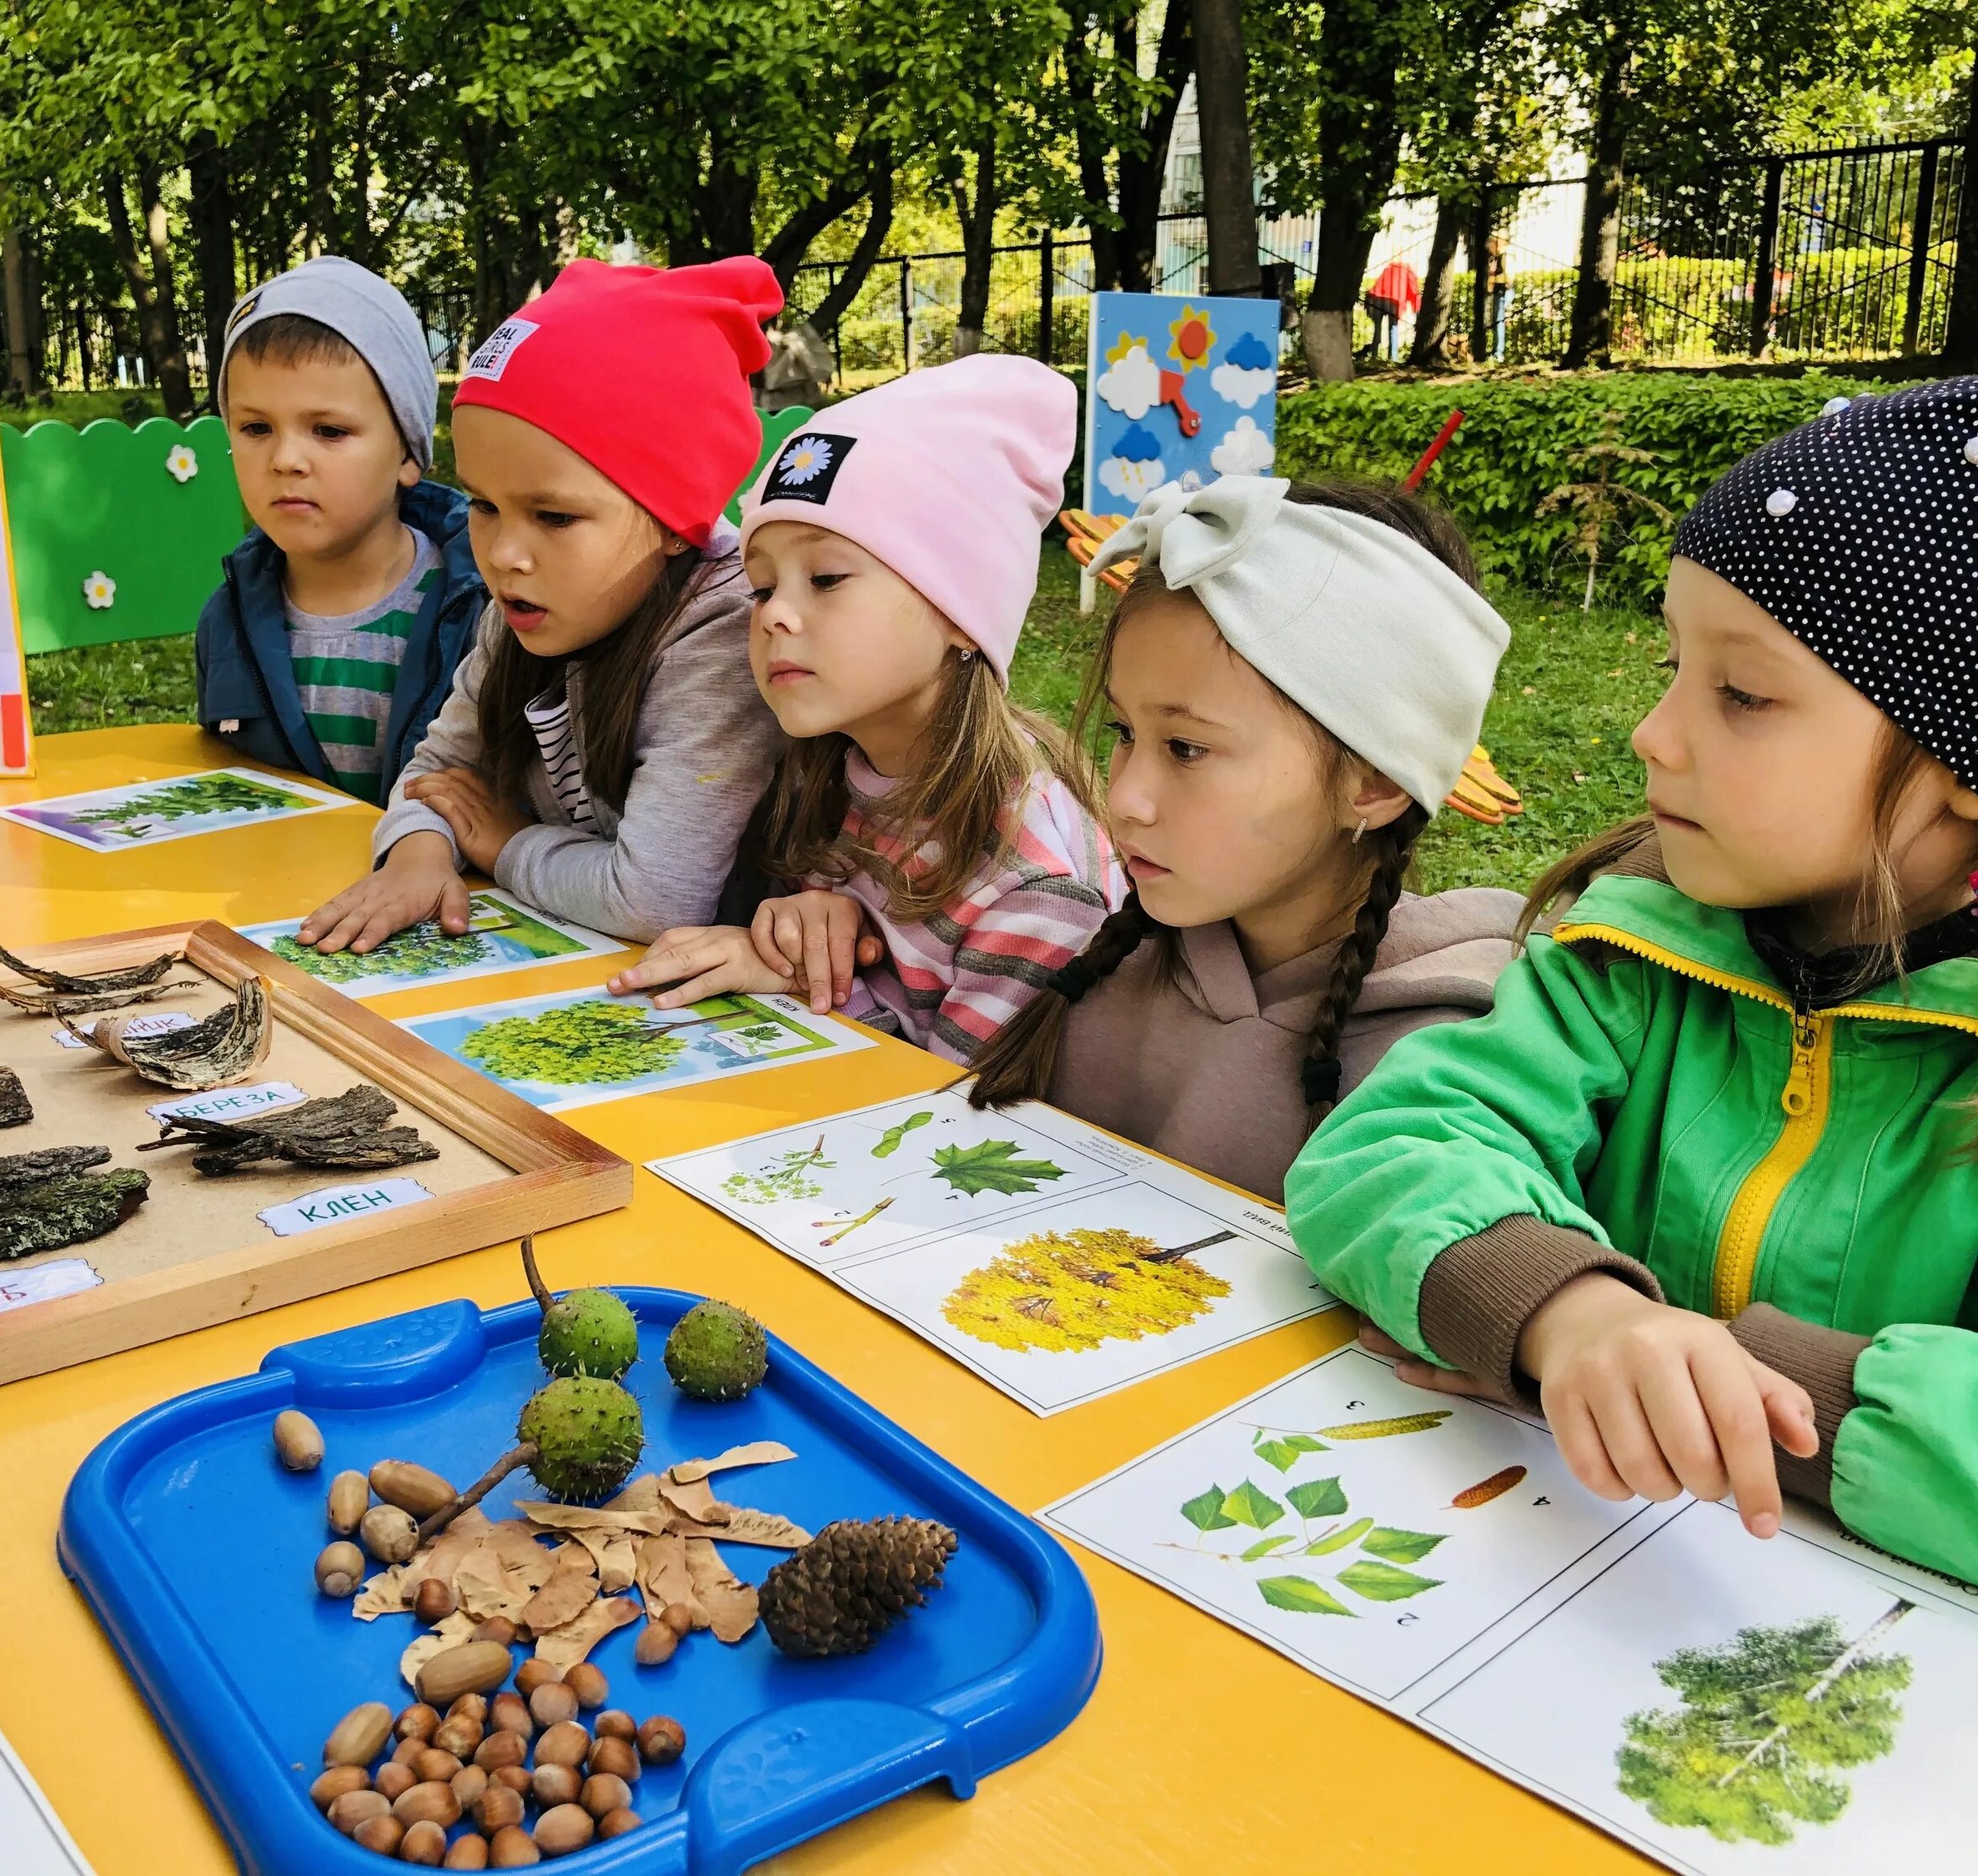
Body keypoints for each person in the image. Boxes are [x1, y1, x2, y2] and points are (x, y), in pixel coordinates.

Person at [1287, 374, 1978, 1640]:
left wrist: (1761, 1401)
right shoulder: (1641, 941)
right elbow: (1387, 1146)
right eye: (1674, 667)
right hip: (1561, 1597)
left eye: (1741, 695)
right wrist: (1572, 1311)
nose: (1653, 734)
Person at [966, 475, 1520, 1200]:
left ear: (1375, 782)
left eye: (1187, 749)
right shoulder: (1106, 981)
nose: (1125, 798)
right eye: (1124, 733)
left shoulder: (1451, 1070)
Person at [609, 354, 1120, 1063]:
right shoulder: (825, 776)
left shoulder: (1037, 884)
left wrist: (801, 985)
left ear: (961, 613)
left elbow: (950, 1113)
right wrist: (802, 941)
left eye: (825, 578)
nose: (774, 616)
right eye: (761, 587)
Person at [298, 257, 786, 950]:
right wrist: (419, 858)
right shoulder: (530, 602)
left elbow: (654, 901)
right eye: (485, 505)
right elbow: (437, 775)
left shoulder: (721, 637)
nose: (502, 554)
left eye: (553, 517)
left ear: (677, 524)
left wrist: (503, 843)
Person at [197, 258, 487, 805]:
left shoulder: (476, 610)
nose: (285, 459)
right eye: (256, 428)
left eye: (329, 431)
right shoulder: (227, 617)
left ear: (407, 452)